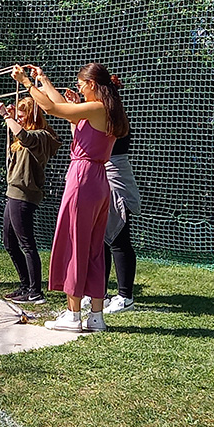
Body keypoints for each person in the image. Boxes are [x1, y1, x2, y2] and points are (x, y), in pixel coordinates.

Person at [12, 63, 129, 332]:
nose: (77, 86)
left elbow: (53, 109)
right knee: (93, 248)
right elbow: (63, 107)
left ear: (92, 85)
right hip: (98, 180)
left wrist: (28, 83)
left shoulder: (96, 107)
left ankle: (73, 314)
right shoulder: (104, 110)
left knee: (75, 243)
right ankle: (96, 317)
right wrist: (43, 79)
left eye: (80, 82)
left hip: (83, 178)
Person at [0, 96, 61, 304]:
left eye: (22, 116)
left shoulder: (40, 136)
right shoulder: (25, 134)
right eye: (18, 117)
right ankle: (25, 285)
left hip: (24, 194)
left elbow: (25, 137)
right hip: (13, 191)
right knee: (9, 242)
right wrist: (11, 118)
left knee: (26, 243)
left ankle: (35, 291)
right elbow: (19, 135)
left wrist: (5, 115)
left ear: (32, 116)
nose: (18, 120)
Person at [80, 130, 141, 313]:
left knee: (119, 241)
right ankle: (100, 293)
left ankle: (125, 296)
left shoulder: (114, 118)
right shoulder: (98, 115)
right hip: (100, 176)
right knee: (100, 241)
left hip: (115, 178)